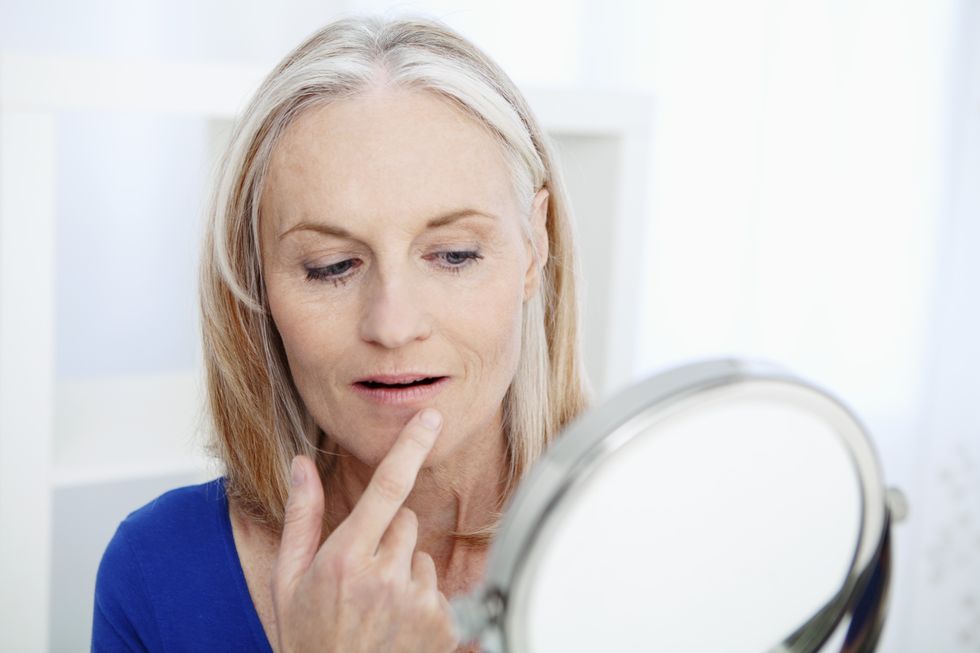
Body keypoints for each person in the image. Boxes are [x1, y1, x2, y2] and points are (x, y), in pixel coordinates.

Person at [92, 13, 590, 652]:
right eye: (331, 267)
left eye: (456, 255)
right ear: (258, 281)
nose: (393, 325)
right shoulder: (158, 569)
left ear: (533, 245)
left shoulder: (670, 540)